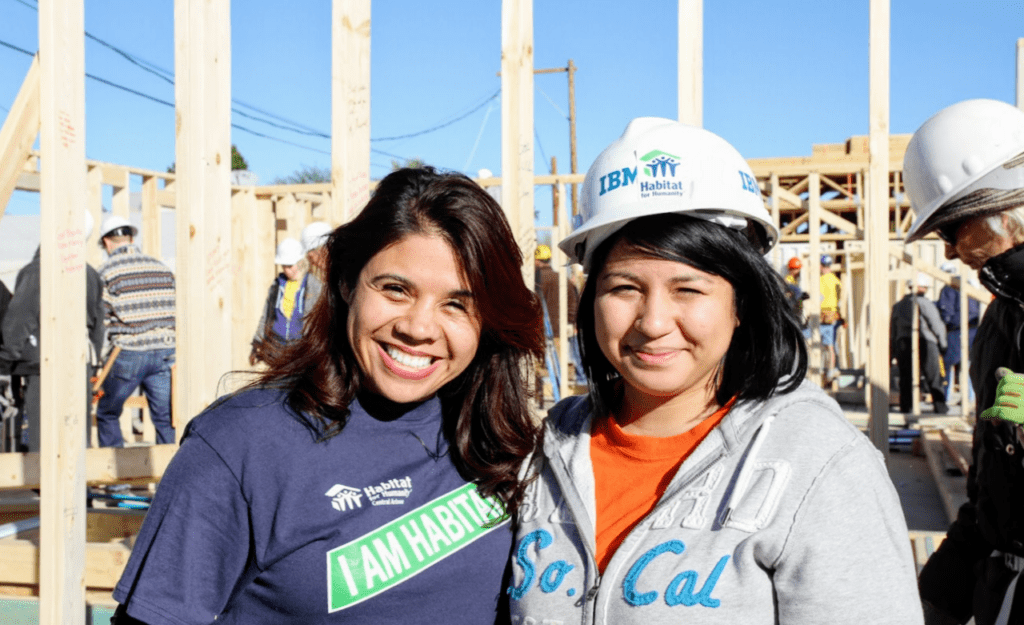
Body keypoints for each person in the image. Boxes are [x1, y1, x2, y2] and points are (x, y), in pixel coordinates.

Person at [508, 118, 923, 624]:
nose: (653, 323)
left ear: (741, 303)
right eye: (624, 288)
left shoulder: (817, 461)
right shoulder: (548, 448)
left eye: (689, 290)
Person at [111, 167, 544, 624]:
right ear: (347, 284)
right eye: (395, 289)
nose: (418, 328)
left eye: (457, 304)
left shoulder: (504, 439)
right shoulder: (242, 446)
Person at [902, 99, 1024, 625]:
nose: (950, 252)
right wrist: (940, 592)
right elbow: (989, 492)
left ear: (1004, 206)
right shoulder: (1000, 325)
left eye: (952, 229)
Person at [0, 211, 104, 451]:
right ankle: (79, 484)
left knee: (44, 434)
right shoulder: (90, 274)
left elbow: (20, 318)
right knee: (77, 430)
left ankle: (44, 486)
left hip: (43, 363)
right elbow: (98, 326)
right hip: (80, 361)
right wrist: (93, 363)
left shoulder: (36, 271)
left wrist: (7, 358)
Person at [95, 215, 176, 447]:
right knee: (165, 418)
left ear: (107, 243)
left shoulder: (106, 272)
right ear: (130, 238)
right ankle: (168, 479)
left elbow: (103, 320)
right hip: (165, 351)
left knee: (108, 412)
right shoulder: (160, 268)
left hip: (128, 351)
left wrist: (99, 362)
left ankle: (116, 482)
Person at [249, 237, 322, 364]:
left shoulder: (315, 286)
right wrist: (257, 343)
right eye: (285, 266)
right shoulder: (276, 286)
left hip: (302, 349)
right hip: (278, 347)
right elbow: (266, 316)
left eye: (292, 264)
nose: (290, 269)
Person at [890, 274, 948, 415]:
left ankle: (906, 407)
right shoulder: (924, 303)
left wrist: (892, 350)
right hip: (925, 341)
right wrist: (943, 343)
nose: (926, 289)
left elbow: (893, 329)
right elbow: (936, 324)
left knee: (906, 377)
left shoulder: (898, 305)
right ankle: (940, 407)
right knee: (933, 376)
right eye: (925, 286)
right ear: (921, 287)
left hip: (903, 343)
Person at [936, 261, 979, 403]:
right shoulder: (969, 285)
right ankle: (970, 399)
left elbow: (946, 313)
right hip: (974, 330)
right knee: (969, 365)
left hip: (957, 331)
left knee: (950, 364)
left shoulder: (949, 288)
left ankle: (946, 398)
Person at [818, 254, 842, 379]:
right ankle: (831, 370)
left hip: (822, 315)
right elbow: (840, 299)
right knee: (831, 345)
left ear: (821, 266)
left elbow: (818, 298)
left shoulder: (820, 280)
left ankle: (825, 369)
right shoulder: (836, 280)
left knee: (822, 345)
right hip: (833, 316)